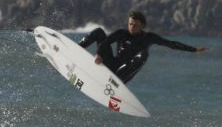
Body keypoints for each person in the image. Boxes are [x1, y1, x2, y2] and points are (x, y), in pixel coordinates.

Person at [79, 10, 208, 83]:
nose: (131, 27)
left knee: (144, 54)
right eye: (130, 24)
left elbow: (171, 44)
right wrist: (99, 54)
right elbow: (106, 43)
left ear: (142, 25)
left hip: (123, 73)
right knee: (99, 32)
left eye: (135, 25)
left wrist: (194, 50)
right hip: (111, 64)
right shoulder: (121, 33)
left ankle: (116, 81)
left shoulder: (149, 38)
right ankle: (73, 49)